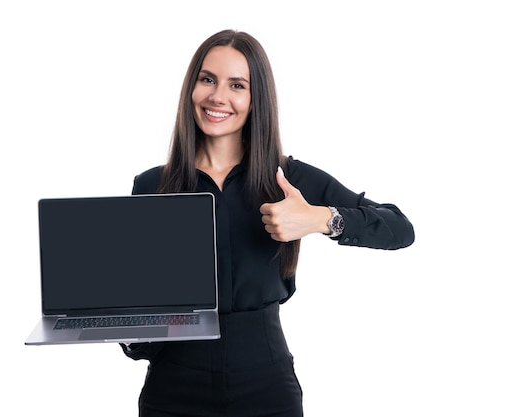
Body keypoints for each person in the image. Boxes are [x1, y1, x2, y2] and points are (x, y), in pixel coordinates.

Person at [120, 29, 415, 417]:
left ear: (256, 99)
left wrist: (321, 219)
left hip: (264, 382)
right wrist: (128, 329)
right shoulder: (151, 186)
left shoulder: (287, 178)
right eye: (207, 79)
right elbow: (140, 330)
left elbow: (400, 228)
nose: (217, 96)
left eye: (236, 85)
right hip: (173, 386)